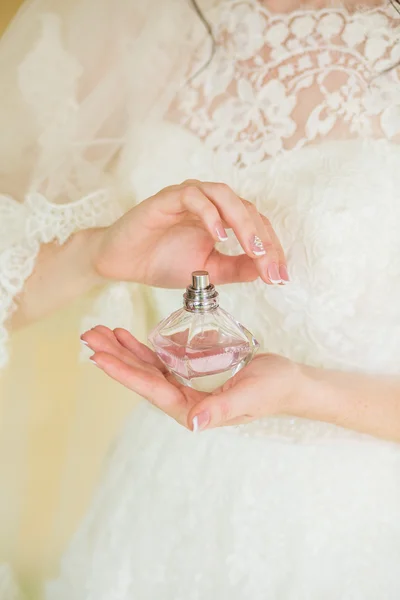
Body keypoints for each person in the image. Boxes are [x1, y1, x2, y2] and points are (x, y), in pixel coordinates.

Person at [1, 0, 400, 598]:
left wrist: (306, 392)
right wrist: (95, 254)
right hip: (158, 508)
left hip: (357, 530)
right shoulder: (134, 18)